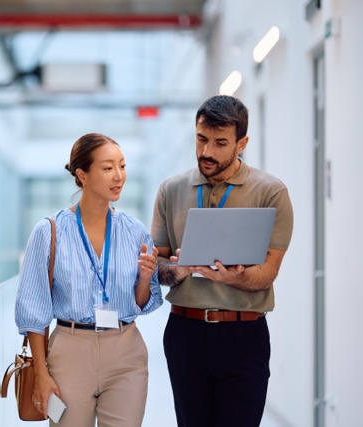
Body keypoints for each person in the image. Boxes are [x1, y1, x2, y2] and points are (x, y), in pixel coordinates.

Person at [151, 95, 294, 427]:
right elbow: (157, 268)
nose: (206, 152)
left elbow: (268, 273)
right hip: (184, 332)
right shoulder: (171, 190)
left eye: (219, 143)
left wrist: (234, 279)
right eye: (201, 139)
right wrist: (179, 271)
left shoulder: (271, 193)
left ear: (241, 143)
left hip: (243, 335)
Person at [15, 133, 163, 427]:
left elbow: (142, 302)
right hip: (70, 351)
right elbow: (33, 311)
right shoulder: (49, 231)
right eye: (108, 168)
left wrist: (146, 278)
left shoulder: (135, 232)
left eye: (122, 166)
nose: (119, 176)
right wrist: (42, 376)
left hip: (126, 352)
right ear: (82, 175)